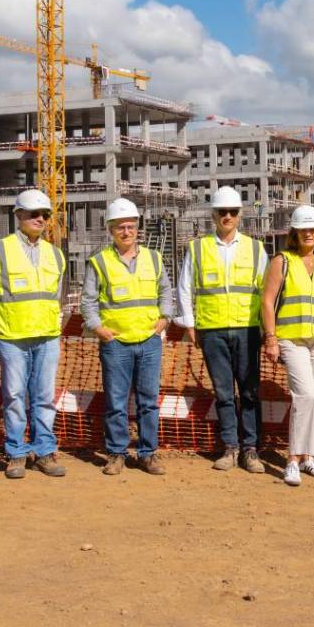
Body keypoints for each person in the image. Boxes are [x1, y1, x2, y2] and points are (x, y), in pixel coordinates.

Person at [0, 189, 67, 480]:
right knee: (13, 396)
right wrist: (9, 320)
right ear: (18, 216)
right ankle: (16, 454)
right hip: (12, 337)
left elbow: (57, 298)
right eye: (34, 214)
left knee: (45, 397)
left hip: (48, 336)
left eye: (45, 215)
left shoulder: (56, 254)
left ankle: (45, 452)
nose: (40, 219)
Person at [81, 197, 174, 477]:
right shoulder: (99, 262)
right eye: (120, 227)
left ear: (137, 228)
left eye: (130, 226)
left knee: (148, 401)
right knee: (116, 402)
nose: (126, 232)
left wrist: (164, 317)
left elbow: (165, 291)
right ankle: (116, 454)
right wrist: (98, 328)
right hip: (116, 343)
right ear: (110, 229)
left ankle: (147, 453)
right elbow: (88, 301)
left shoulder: (153, 259)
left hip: (148, 341)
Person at [177, 186, 266, 474]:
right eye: (222, 212)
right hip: (212, 329)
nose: (227, 216)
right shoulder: (198, 248)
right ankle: (230, 447)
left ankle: (251, 449)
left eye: (232, 212)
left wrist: (268, 329)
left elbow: (267, 292)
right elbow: (185, 287)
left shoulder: (255, 247)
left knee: (250, 391)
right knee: (224, 392)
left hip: (247, 329)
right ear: (213, 215)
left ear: (240, 215)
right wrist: (190, 322)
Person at [260, 205, 314, 487]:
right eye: (303, 230)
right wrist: (271, 339)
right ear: (294, 233)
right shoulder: (282, 261)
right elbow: (268, 302)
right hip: (291, 338)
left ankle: (309, 455)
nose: (308, 234)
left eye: (313, 229)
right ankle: (292, 460)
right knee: (305, 395)